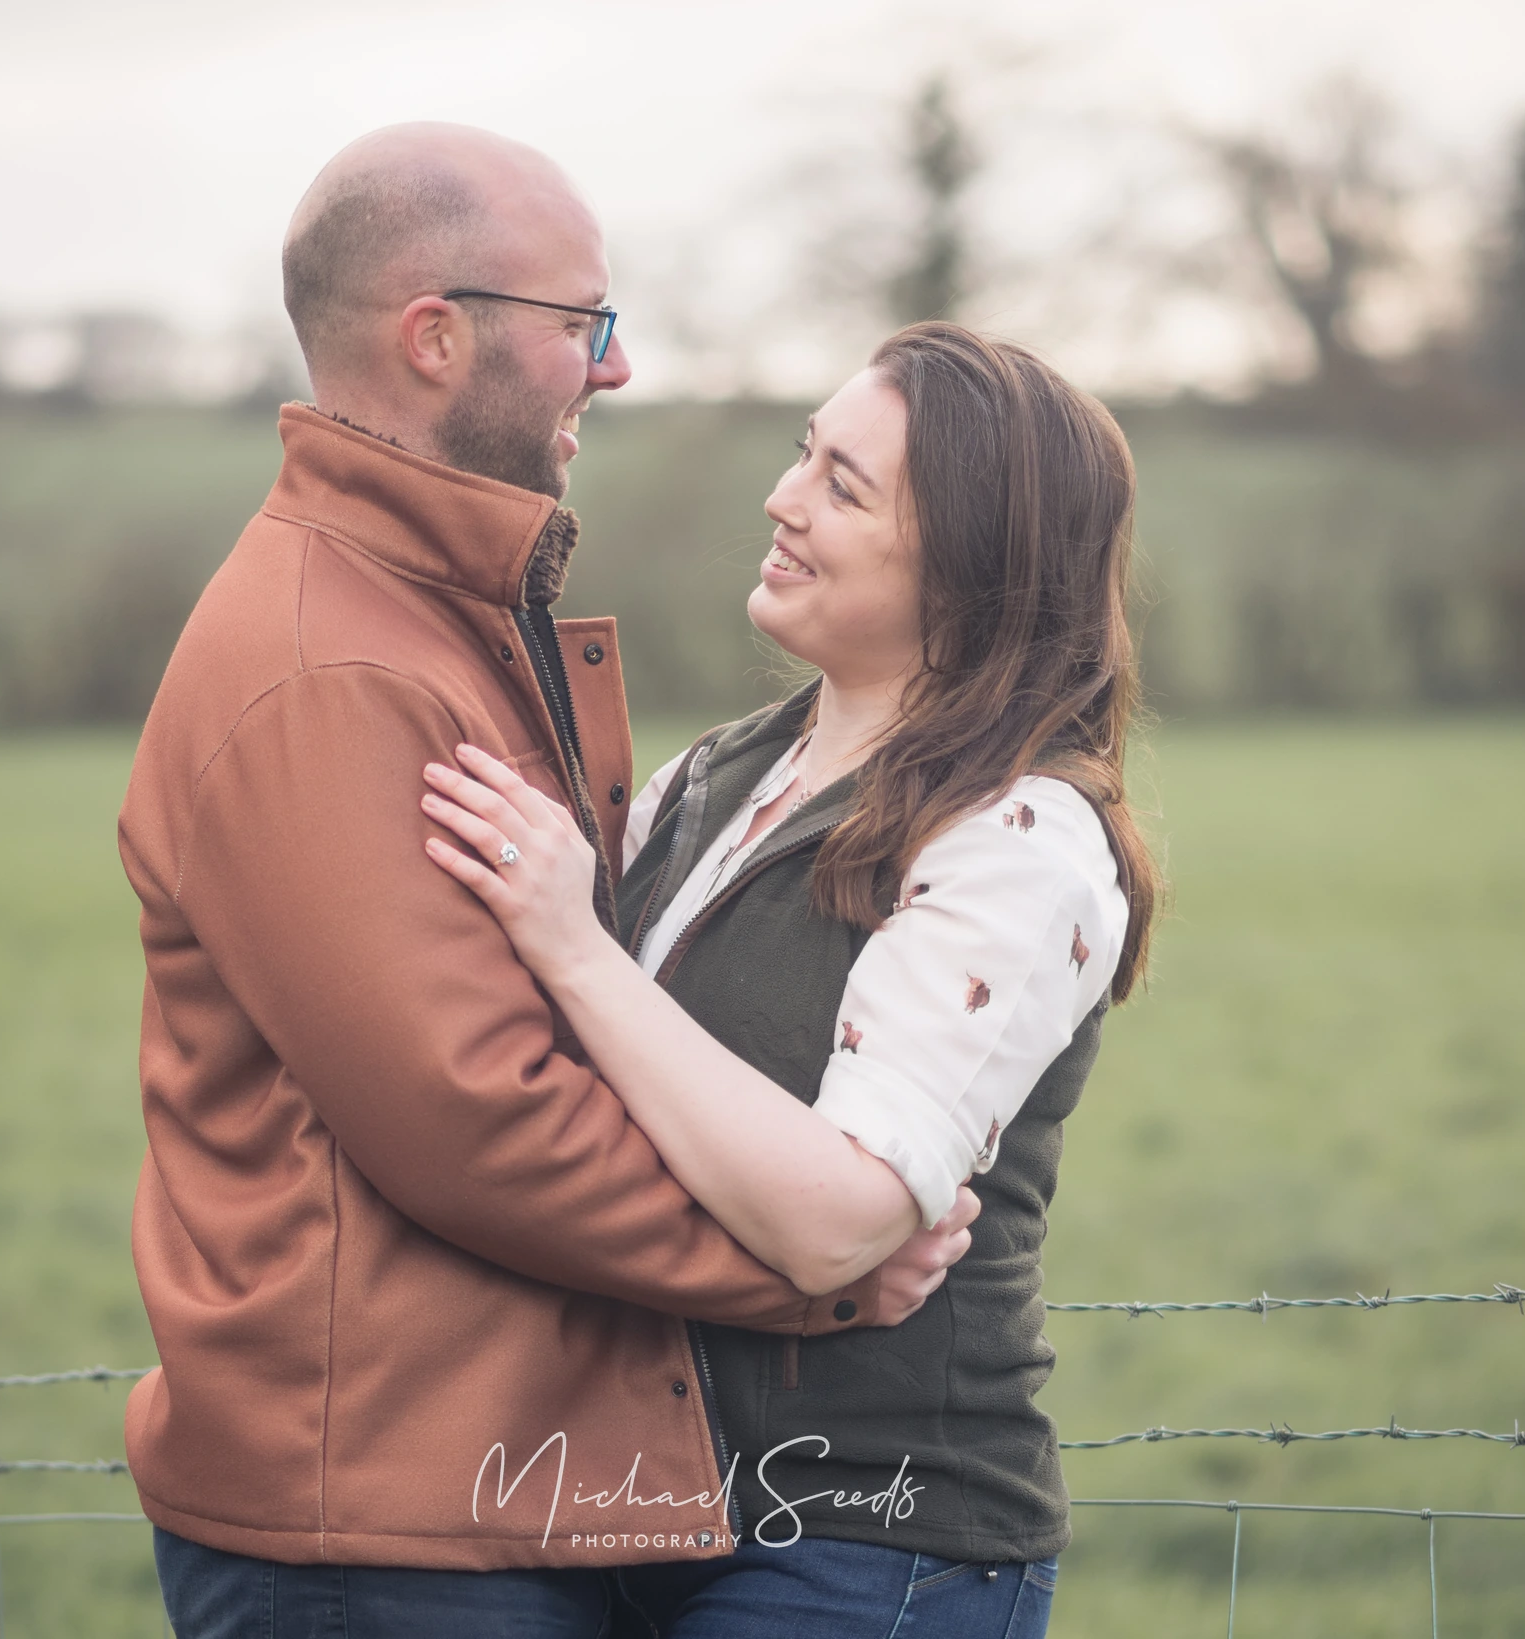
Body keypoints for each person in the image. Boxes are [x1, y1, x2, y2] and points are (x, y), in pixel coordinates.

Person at [118, 124, 974, 1639]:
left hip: (471, 1496)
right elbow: (481, 1111)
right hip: (376, 1535)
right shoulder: (333, 669)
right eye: (586, 324)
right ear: (436, 337)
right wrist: (813, 1264)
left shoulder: (429, 615)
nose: (617, 369)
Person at [420, 322, 1162, 1638]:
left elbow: (836, 1222)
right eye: (802, 455)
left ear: (970, 563)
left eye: (844, 484)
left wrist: (576, 945)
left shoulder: (1022, 839)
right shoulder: (720, 773)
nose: (783, 497)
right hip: (622, 1500)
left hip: (874, 1540)